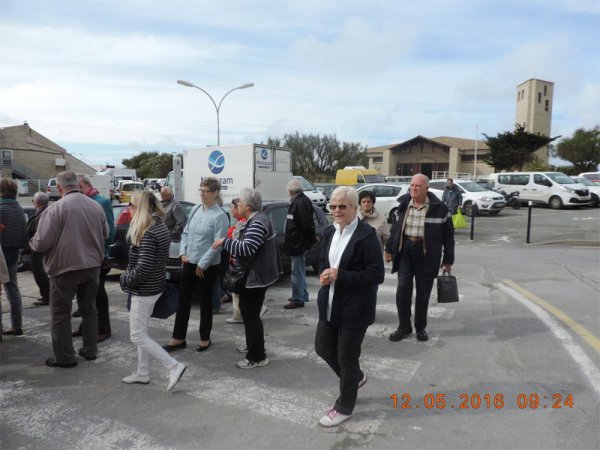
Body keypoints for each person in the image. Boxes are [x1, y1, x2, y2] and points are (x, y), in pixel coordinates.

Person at [314, 186, 385, 427]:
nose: (336, 211)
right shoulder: (329, 232)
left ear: (355, 208)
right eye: (332, 206)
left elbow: (376, 275)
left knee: (347, 358)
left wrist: (340, 275)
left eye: (342, 206)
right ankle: (355, 378)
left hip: (355, 309)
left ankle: (344, 407)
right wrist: (325, 273)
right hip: (330, 304)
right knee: (323, 347)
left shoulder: (367, 236)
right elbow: (323, 261)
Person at [30, 171, 108, 368]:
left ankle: (65, 357)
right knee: (90, 310)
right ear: (78, 185)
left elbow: (41, 243)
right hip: (92, 266)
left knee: (60, 315)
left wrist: (32, 242)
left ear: (59, 188)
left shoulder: (56, 209)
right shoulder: (96, 206)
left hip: (65, 268)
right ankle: (90, 350)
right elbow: (106, 233)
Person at [120, 191, 187, 391]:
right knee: (142, 331)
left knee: (137, 335)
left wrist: (124, 280)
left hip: (144, 290)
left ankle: (173, 366)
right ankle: (142, 372)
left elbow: (144, 267)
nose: (128, 208)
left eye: (131, 205)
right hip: (154, 286)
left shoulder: (148, 231)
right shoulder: (160, 226)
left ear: (140, 207)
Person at [212, 188, 281, 369]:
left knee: (250, 315)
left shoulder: (258, 222)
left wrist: (224, 242)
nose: (237, 204)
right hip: (255, 276)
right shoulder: (256, 219)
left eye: (240, 202)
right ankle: (253, 345)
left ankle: (257, 356)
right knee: (249, 313)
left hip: (256, 278)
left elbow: (247, 248)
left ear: (248, 206)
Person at [384, 173, 455, 343]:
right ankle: (404, 327)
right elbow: (395, 229)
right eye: (412, 185)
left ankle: (420, 328)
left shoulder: (440, 208)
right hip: (405, 251)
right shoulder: (403, 205)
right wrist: (389, 249)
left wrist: (448, 260)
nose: (413, 188)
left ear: (427, 188)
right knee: (402, 291)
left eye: (418, 186)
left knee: (423, 294)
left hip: (427, 255)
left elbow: (448, 237)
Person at [163, 177, 229, 353]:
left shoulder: (220, 216)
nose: (202, 194)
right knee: (183, 300)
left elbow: (218, 244)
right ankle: (178, 338)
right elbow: (185, 232)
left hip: (207, 266)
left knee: (205, 302)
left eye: (206, 191)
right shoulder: (196, 209)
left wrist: (202, 264)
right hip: (189, 262)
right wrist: (183, 252)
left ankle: (204, 338)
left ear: (215, 193)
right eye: (201, 190)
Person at [71, 173, 116, 343]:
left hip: (98, 256)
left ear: (84, 186)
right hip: (84, 256)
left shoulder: (102, 202)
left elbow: (110, 233)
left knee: (97, 294)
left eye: (78, 188)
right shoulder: (81, 202)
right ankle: (86, 326)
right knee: (85, 294)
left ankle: (104, 329)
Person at [0, 178, 28, 336]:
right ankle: (17, 325)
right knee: (13, 290)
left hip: (1, 253)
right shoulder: (19, 209)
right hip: (13, 253)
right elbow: (25, 235)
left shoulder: (1, 208)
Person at [283, 178, 316, 309]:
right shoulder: (300, 201)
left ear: (291, 191)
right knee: (300, 270)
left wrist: (310, 239)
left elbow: (306, 225)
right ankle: (302, 294)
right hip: (297, 243)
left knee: (296, 272)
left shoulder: (299, 203)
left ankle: (298, 299)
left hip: (298, 244)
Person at [28, 192, 51, 306]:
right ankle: (47, 295)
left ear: (37, 203)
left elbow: (37, 233)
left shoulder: (42, 215)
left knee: (40, 273)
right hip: (43, 248)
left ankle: (46, 296)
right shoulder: (48, 212)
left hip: (38, 249)